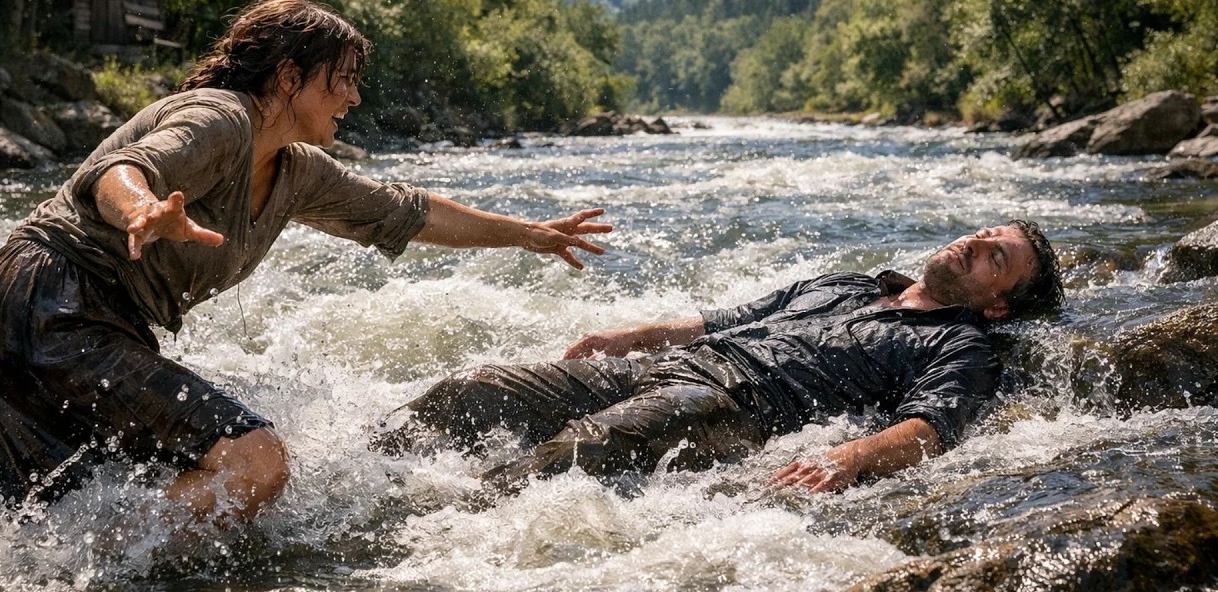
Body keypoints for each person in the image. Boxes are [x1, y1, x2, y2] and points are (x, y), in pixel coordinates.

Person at [0, 0, 612, 529]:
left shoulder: (297, 171)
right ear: (290, 78)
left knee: (6, 512)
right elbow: (122, 168)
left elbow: (407, 210)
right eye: (342, 80)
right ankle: (119, 558)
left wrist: (528, 234)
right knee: (257, 461)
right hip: (47, 303)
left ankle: (86, 557)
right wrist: (140, 209)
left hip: (61, 318)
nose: (353, 98)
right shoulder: (219, 119)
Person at [376, 221, 1063, 494]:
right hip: (671, 366)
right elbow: (724, 318)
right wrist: (628, 336)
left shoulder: (962, 344)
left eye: (994, 256)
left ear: (997, 304)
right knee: (472, 387)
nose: (975, 243)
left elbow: (932, 428)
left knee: (584, 447)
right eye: (983, 234)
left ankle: (437, 521)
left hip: (734, 404)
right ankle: (358, 477)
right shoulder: (847, 282)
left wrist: (846, 457)